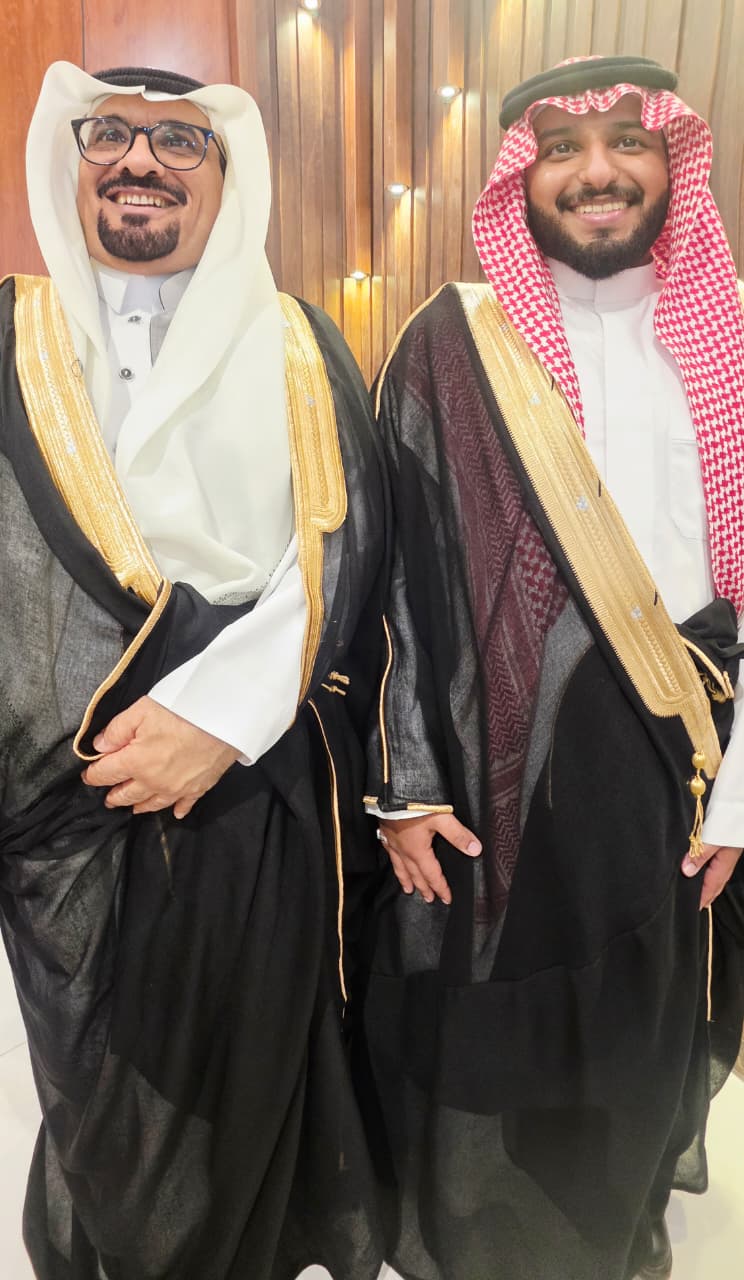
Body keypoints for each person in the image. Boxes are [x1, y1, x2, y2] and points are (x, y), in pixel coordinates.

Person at [360, 55, 744, 1280]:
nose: (597, 171)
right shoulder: (451, 341)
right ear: (521, 174)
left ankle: (615, 1233)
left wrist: (743, 792)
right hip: (501, 755)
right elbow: (395, 575)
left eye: (629, 139)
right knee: (498, 1014)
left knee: (647, 1020)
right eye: (563, 147)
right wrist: (408, 781)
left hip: (688, 755)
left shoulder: (733, 331)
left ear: (672, 158)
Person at [0, 61, 385, 1279]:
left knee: (238, 1066)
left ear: (226, 173)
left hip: (246, 786)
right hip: (54, 800)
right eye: (111, 133)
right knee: (95, 1087)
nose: (139, 160)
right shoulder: (13, 335)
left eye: (178, 141)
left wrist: (216, 717)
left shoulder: (296, 344)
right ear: (72, 161)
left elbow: (343, 547)